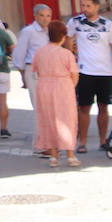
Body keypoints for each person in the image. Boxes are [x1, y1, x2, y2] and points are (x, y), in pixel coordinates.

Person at [66, 0, 112, 154]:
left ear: (97, 6)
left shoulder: (108, 25)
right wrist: (70, 60)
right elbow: (68, 42)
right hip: (84, 72)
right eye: (82, 5)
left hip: (104, 72)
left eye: (88, 6)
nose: (84, 9)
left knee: (103, 107)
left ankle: (103, 141)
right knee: (84, 107)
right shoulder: (75, 22)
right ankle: (82, 142)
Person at [32, 20, 79, 168]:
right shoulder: (66, 54)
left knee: (48, 119)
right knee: (67, 119)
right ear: (63, 36)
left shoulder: (40, 52)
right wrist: (69, 86)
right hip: (63, 85)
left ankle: (53, 156)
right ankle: (70, 155)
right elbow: (74, 75)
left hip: (44, 85)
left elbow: (36, 70)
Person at [13, 3, 52, 115]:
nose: (45, 19)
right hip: (34, 70)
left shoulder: (51, 30)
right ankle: (40, 132)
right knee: (39, 105)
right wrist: (23, 75)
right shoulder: (28, 31)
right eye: (42, 15)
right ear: (35, 16)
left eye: (48, 15)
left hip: (50, 71)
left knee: (50, 104)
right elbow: (19, 54)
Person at [0, 22, 16, 139]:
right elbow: (13, 48)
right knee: (2, 102)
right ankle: (4, 129)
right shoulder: (2, 33)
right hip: (2, 70)